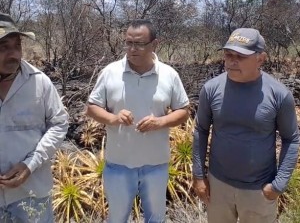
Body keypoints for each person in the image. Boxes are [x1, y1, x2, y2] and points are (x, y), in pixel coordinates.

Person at [86, 19, 189, 223]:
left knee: (155, 219)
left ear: (154, 44)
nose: (133, 49)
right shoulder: (110, 72)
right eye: (129, 43)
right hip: (118, 165)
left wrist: (160, 122)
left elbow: (183, 111)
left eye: (140, 44)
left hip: (156, 165)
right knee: (116, 219)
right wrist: (113, 118)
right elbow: (91, 108)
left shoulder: (169, 75)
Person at [192, 28, 299, 223]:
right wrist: (199, 175)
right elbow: (201, 130)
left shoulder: (279, 95)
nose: (232, 61)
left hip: (259, 190)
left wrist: (278, 185)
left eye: (240, 56)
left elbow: (291, 138)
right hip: (218, 186)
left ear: (261, 59)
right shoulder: (211, 89)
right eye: (228, 55)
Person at [0, 12, 69, 222]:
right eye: (3, 47)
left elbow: (59, 123)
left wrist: (31, 164)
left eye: (17, 45)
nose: (14, 54)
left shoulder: (40, 82)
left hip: (31, 195)